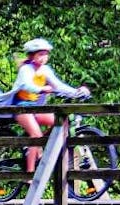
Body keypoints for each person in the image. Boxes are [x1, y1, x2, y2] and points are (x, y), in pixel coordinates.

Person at [12, 38, 91, 171]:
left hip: (36, 108)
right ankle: (29, 175)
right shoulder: (26, 69)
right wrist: (41, 89)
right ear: (32, 55)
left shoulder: (45, 70)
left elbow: (58, 86)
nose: (44, 58)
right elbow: (25, 84)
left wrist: (76, 92)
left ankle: (37, 151)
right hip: (21, 107)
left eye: (46, 54)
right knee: (36, 135)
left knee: (60, 122)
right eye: (40, 54)